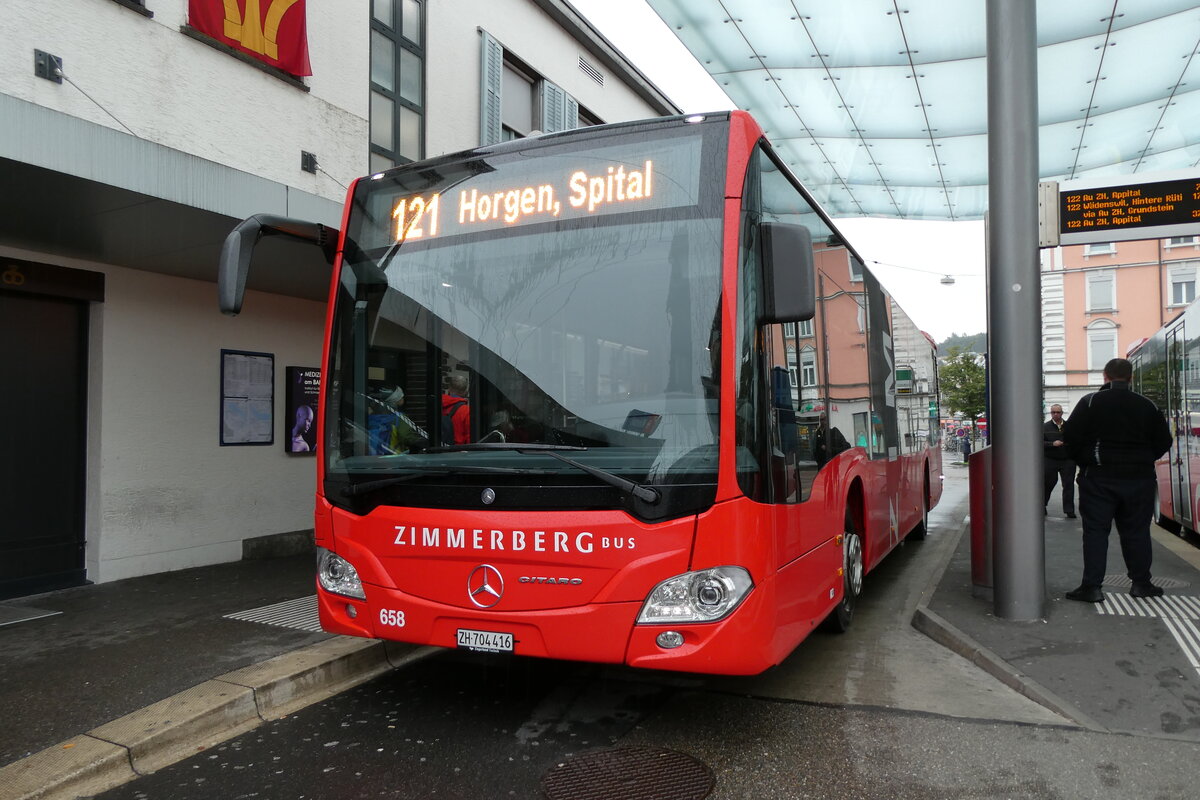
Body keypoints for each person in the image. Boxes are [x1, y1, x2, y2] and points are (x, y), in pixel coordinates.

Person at [1062, 358, 1173, 603]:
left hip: (1098, 478)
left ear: (1105, 376)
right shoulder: (1147, 405)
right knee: (1137, 531)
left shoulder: (1090, 402)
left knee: (1096, 532)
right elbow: (1164, 441)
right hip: (1139, 479)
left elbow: (1070, 436)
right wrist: (1144, 459)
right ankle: (1141, 583)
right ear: (1131, 378)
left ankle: (1092, 587)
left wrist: (1086, 461)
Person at [1042, 404, 1076, 518]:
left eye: (1058, 412)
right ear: (1051, 413)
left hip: (1067, 460)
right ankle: (1042, 505)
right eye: (1053, 412)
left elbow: (1075, 440)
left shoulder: (1069, 426)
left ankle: (1069, 510)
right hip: (1050, 459)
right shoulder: (1045, 427)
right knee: (1048, 483)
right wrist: (1052, 444)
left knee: (1068, 485)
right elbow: (1039, 442)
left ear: (1062, 413)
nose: (1056, 414)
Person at [441, 374, 470, 444]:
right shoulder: (466, 410)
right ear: (465, 392)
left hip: (439, 448)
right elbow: (469, 437)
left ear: (449, 388)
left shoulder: (436, 405)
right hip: (458, 449)